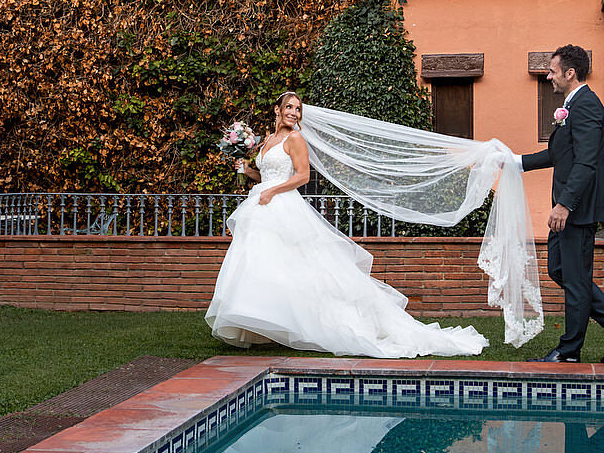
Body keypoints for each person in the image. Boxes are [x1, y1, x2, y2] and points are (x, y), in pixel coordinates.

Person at [205, 91, 488, 358]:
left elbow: (302, 176)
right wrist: (247, 170)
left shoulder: (295, 139)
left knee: (299, 267)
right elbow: (265, 174)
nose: (294, 112)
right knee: (261, 265)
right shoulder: (266, 141)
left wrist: (272, 191)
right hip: (262, 205)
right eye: (289, 107)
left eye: (298, 108)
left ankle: (315, 322)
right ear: (277, 110)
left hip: (282, 206)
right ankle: (263, 324)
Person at [519, 44, 604, 363]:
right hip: (568, 208)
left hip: (576, 210)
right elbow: (558, 155)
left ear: (570, 73)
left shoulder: (586, 106)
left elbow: (586, 163)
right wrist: (515, 162)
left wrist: (565, 205)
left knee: (573, 278)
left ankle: (569, 350)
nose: (548, 77)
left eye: (552, 71)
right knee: (560, 269)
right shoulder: (573, 106)